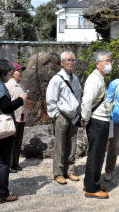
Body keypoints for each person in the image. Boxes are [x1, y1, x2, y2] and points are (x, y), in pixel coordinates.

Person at [0, 59, 27, 204]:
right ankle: (2, 194)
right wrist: (21, 99)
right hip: (2, 128)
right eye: (9, 72)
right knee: (3, 162)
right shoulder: (0, 86)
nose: (10, 74)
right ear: (4, 71)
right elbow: (7, 107)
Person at [46, 51, 82, 185]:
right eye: (68, 60)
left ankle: (70, 170)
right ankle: (58, 173)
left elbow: (78, 97)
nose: (71, 62)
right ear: (62, 63)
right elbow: (51, 99)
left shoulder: (76, 78)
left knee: (72, 144)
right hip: (61, 115)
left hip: (73, 116)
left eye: (73, 60)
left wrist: (79, 113)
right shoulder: (57, 79)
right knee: (60, 145)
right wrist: (55, 115)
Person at [81, 50, 112, 199]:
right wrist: (86, 119)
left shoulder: (99, 77)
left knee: (97, 154)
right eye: (106, 61)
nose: (109, 64)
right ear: (98, 64)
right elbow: (87, 101)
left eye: (109, 61)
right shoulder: (94, 79)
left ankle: (91, 183)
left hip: (101, 121)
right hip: (97, 122)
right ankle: (92, 188)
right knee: (96, 155)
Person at [5, 62, 26, 173]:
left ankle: (15, 163)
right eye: (19, 70)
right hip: (12, 117)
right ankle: (9, 164)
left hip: (21, 117)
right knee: (12, 142)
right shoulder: (8, 85)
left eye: (21, 70)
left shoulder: (20, 85)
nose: (21, 73)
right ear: (12, 72)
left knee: (18, 141)